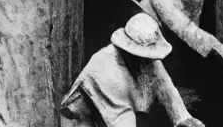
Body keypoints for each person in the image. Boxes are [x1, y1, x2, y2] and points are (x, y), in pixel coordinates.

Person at [60, 13, 205, 127]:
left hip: (115, 114)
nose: (150, 59)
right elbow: (121, 121)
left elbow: (166, 87)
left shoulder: (146, 60)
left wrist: (184, 120)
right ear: (130, 51)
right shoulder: (107, 71)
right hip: (82, 120)